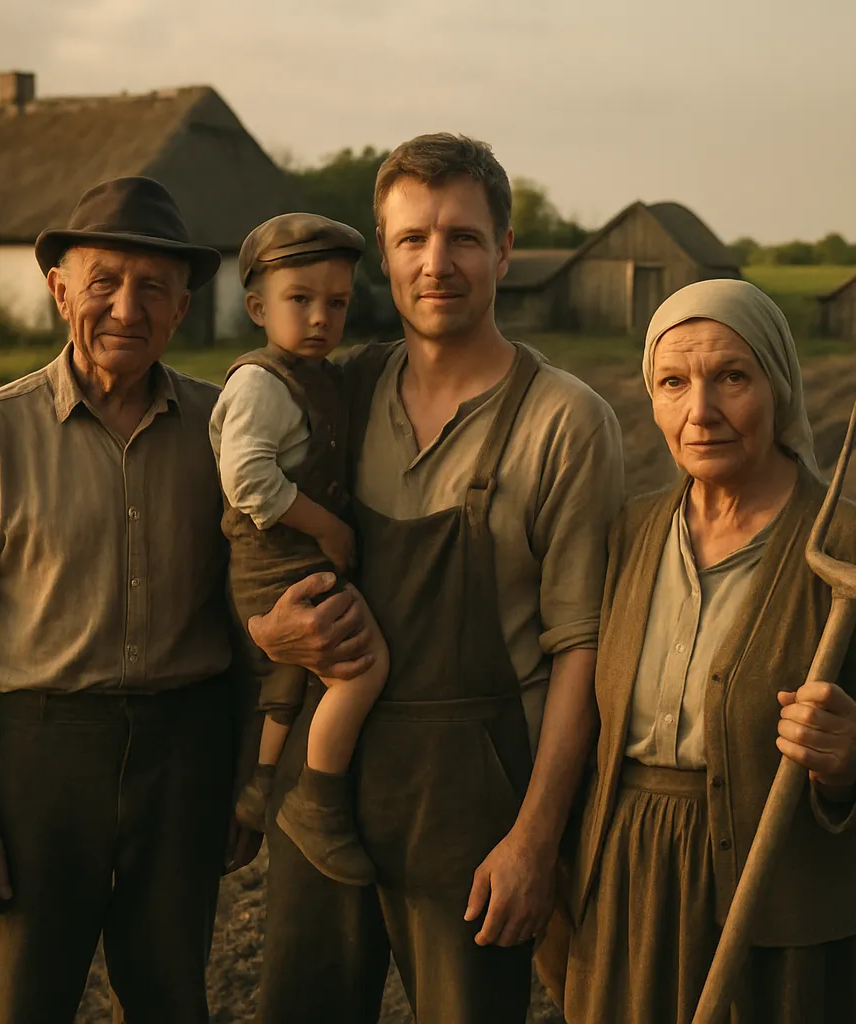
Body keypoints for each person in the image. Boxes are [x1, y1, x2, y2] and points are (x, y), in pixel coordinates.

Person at [246, 133, 625, 1023]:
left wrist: (535, 840)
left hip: (473, 807)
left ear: (501, 249)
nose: (436, 262)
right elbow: (251, 550)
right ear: (384, 253)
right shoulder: (333, 394)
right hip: (326, 788)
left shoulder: (566, 422)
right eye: (412, 238)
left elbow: (582, 651)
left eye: (461, 236)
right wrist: (269, 635)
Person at [0, 176, 251, 1024]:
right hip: (36, 763)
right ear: (60, 290)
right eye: (104, 281)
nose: (126, 307)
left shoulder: (224, 434)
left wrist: (243, 783)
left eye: (153, 289)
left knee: (172, 1000)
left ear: (182, 310)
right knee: (20, 1003)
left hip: (182, 754)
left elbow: (249, 623)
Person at [535, 278, 856, 1024]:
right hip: (630, 888)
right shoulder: (630, 533)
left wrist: (845, 762)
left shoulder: (852, 549)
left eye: (731, 378)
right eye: (673, 382)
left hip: (780, 898)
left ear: (779, 386)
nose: (700, 412)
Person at [210, 212, 389, 886]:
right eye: (300, 300)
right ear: (257, 307)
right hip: (274, 559)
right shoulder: (260, 384)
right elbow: (250, 480)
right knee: (360, 663)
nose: (321, 318)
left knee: (291, 676)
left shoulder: (317, 375)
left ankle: (260, 784)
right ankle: (318, 797)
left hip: (291, 555)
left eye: (337, 303)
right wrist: (327, 528)